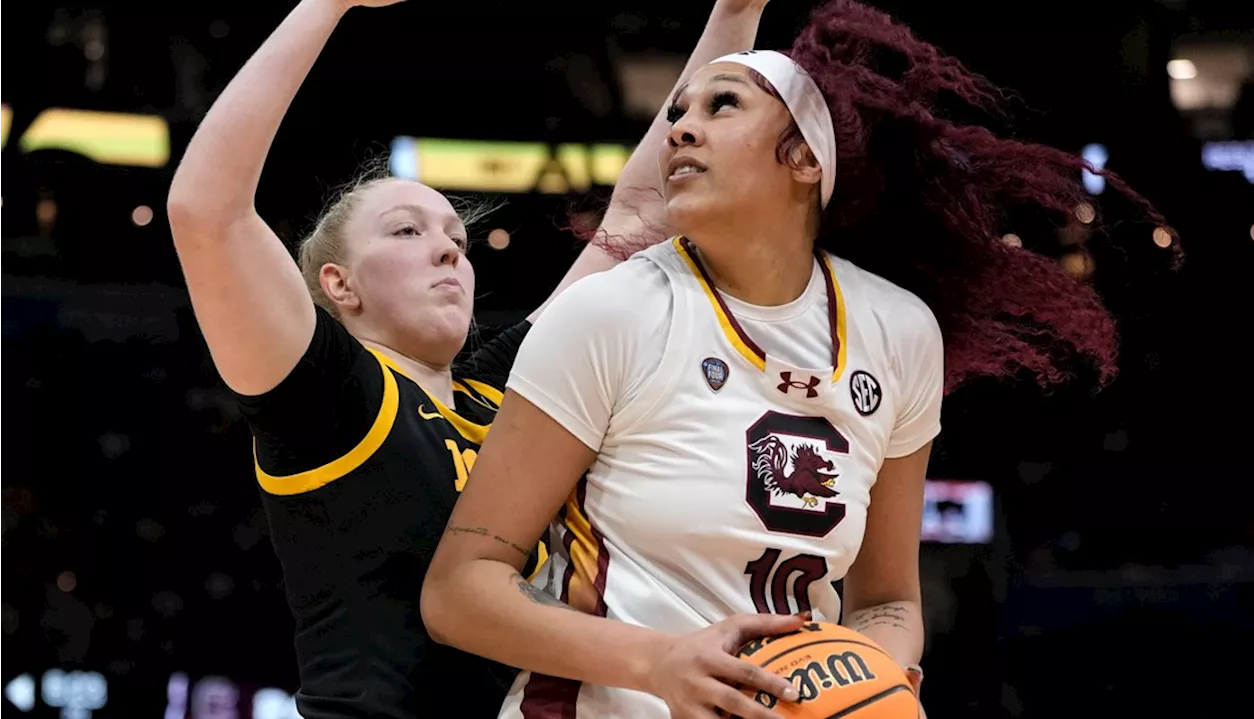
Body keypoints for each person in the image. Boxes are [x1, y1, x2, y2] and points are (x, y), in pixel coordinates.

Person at [420, 1, 1174, 718]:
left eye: (722, 107)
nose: (681, 129)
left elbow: (888, 601)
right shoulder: (610, 313)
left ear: (806, 159)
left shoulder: (897, 331)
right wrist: (657, 662)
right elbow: (459, 591)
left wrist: (864, 680)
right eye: (677, 112)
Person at [164, 0, 775, 716]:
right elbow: (204, 211)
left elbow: (641, 219)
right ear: (340, 284)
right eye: (407, 230)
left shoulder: (499, 396)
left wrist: (738, 11)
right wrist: (325, 5)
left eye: (455, 234)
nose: (450, 247)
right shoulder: (329, 394)